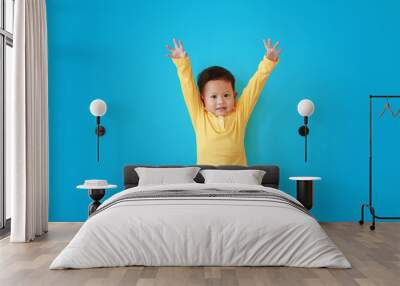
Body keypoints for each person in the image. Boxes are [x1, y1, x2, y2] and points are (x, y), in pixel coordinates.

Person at [166, 38, 281, 166]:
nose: (220, 101)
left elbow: (255, 87)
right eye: (213, 97)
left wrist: (268, 62)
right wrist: (182, 63)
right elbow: (187, 86)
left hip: (239, 178)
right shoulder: (199, 115)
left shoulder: (239, 113)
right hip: (206, 178)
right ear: (202, 99)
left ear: (234, 96)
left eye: (226, 95)